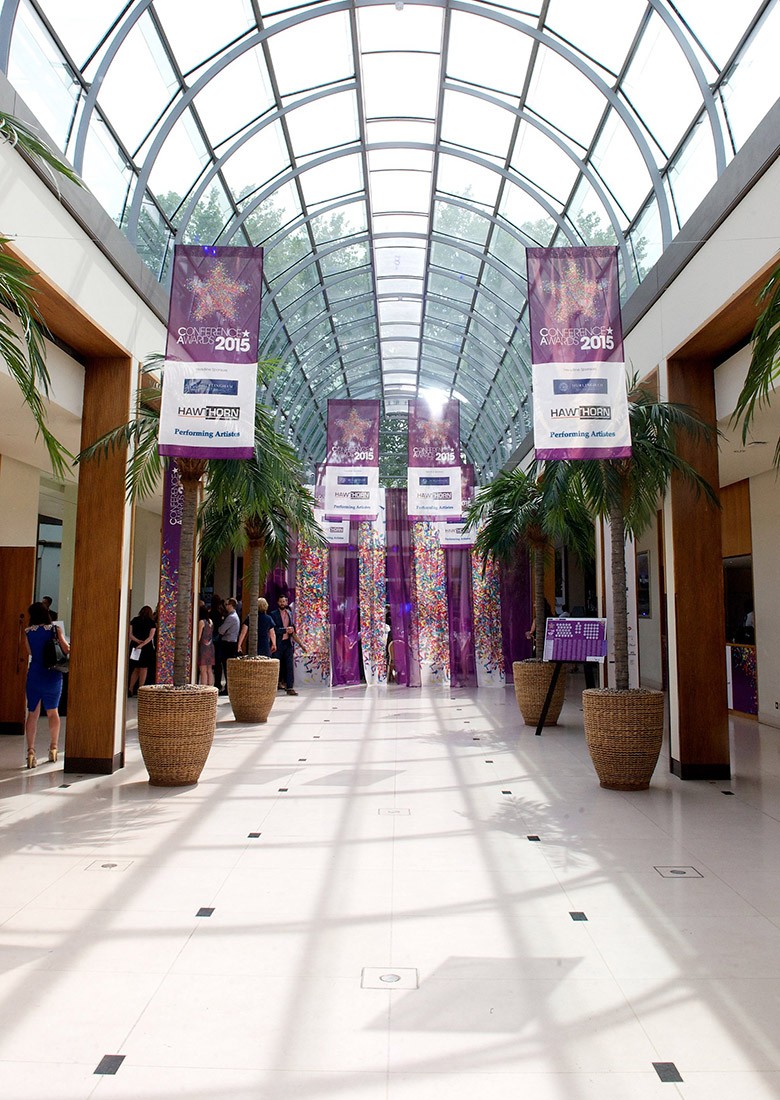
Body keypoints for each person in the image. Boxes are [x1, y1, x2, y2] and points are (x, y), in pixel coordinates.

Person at [23, 601, 70, 768]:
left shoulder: (28, 632)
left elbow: (30, 652)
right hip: (52, 675)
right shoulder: (55, 629)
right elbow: (65, 649)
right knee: (53, 712)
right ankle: (54, 748)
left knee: (32, 713)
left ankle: (30, 751)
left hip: (34, 674)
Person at [271, 594, 298, 695]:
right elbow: (273, 630)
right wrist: (285, 630)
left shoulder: (290, 613)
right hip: (278, 643)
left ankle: (290, 687)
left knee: (289, 665)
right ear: (278, 603)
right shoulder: (273, 614)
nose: (283, 603)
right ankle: (274, 685)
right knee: (276, 665)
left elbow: (292, 626)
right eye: (281, 601)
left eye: (284, 601)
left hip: (288, 643)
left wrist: (292, 629)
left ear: (286, 602)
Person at [128, 605, 156, 695]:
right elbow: (150, 637)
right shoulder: (151, 622)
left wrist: (137, 641)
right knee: (144, 669)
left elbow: (130, 634)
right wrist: (143, 644)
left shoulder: (134, 620)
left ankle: (130, 688)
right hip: (146, 648)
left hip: (135, 646)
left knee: (136, 668)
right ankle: (140, 689)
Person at [217, 597, 240, 694]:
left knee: (227, 666)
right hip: (230, 643)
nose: (226, 606)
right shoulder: (233, 616)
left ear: (231, 605)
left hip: (228, 644)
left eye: (227, 604)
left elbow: (221, 630)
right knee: (227, 666)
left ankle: (228, 688)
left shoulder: (231, 617)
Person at [197, 606, 215, 685]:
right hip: (210, 646)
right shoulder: (210, 621)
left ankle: (204, 687)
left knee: (203, 670)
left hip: (203, 647)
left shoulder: (201, 622)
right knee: (209, 669)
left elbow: (199, 637)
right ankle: (210, 686)